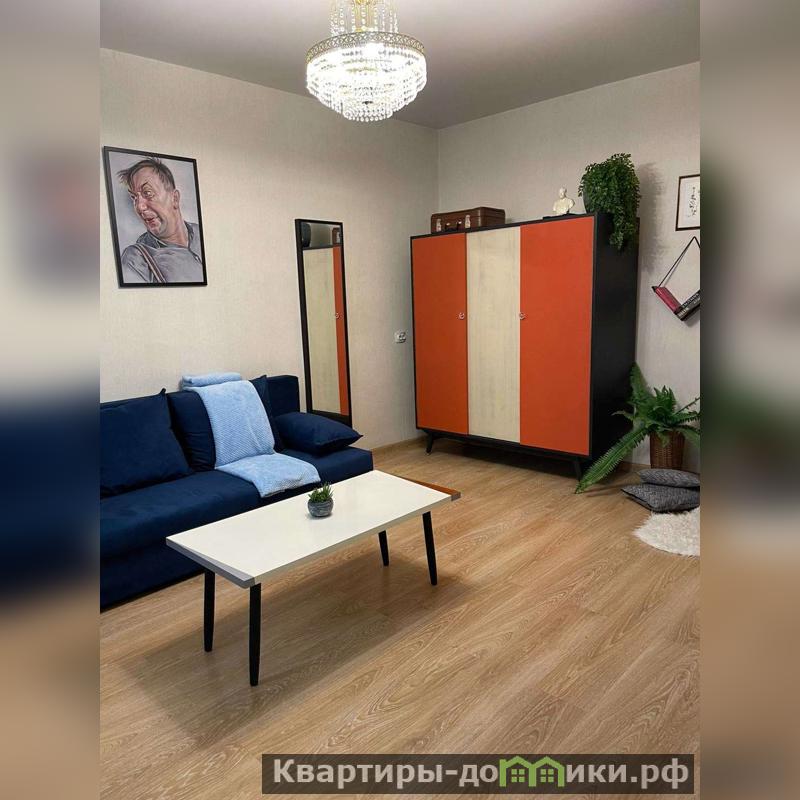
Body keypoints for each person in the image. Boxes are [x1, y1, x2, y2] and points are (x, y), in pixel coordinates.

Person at [116, 157, 204, 283]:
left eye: (147, 193)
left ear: (175, 198)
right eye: (134, 197)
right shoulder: (136, 260)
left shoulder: (202, 234)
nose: (139, 207)